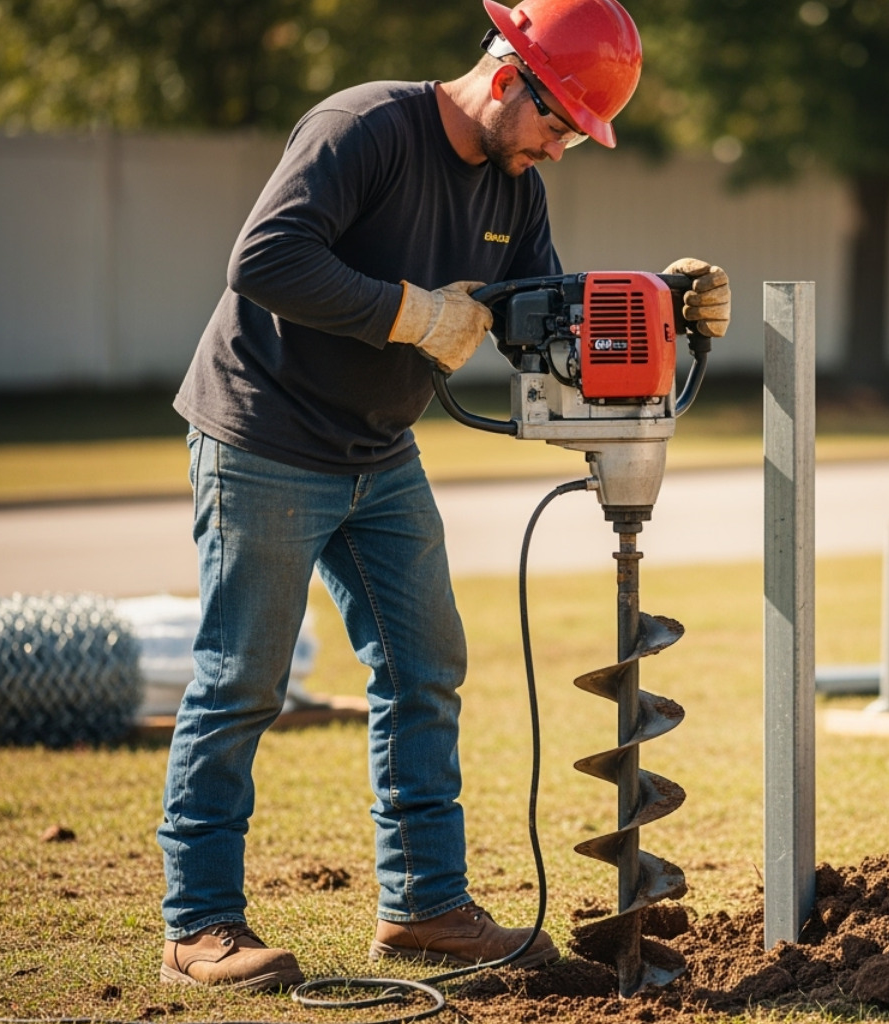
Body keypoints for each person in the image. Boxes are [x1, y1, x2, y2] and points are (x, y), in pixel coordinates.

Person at [156, 0, 731, 990]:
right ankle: (198, 925)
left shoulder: (514, 186)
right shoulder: (365, 128)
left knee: (426, 665)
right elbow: (262, 259)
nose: (558, 149)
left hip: (379, 453)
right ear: (508, 78)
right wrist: (410, 314)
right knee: (241, 678)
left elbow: (535, 320)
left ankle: (423, 905)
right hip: (267, 433)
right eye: (558, 125)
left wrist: (662, 303)